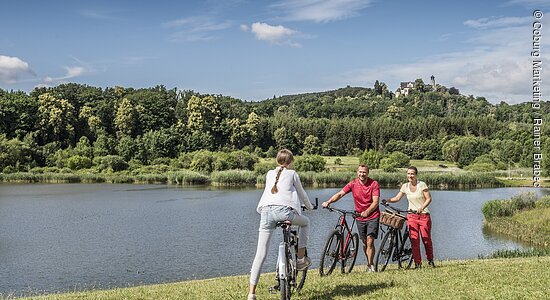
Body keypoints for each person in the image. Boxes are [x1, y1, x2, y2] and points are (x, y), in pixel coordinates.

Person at [248, 149, 314, 300]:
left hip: (266, 213)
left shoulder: (269, 174)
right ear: (290, 162)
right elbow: (302, 194)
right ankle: (300, 259)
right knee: (306, 223)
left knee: (260, 254)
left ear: (277, 161)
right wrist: (309, 207)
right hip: (284, 212)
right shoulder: (292, 174)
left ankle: (251, 293)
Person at [322, 164, 380, 273]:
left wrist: (367, 211)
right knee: (364, 242)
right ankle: (368, 262)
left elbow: (376, 202)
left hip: (372, 216)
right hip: (359, 216)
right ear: (357, 172)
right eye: (360, 172)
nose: (362, 174)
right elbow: (340, 194)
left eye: (364, 172)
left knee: (370, 241)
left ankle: (370, 265)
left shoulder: (374, 184)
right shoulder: (353, 184)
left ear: (368, 173)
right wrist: (328, 202)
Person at [386, 166, 435, 268]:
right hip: (411, 216)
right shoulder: (405, 186)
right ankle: (418, 263)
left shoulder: (422, 185)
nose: (410, 176)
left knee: (426, 240)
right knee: (414, 240)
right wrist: (388, 200)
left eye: (412, 174)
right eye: (408, 174)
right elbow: (397, 198)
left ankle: (430, 260)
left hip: (423, 216)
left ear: (416, 175)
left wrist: (421, 207)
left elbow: (429, 199)